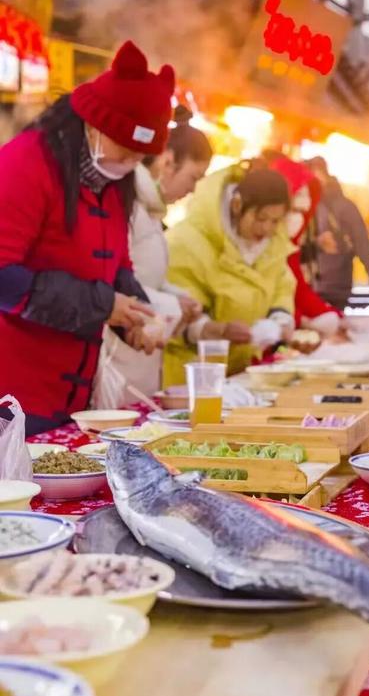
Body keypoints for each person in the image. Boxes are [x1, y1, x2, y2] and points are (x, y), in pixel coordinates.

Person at [0, 40, 174, 436]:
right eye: (125, 149)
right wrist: (102, 305)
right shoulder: (26, 162)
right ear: (95, 124)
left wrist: (136, 316)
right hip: (11, 399)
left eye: (140, 156)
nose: (131, 163)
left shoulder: (111, 183)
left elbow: (116, 267)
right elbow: (3, 277)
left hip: (72, 403)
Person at [94, 123, 213, 404]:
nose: (193, 190)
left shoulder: (150, 210)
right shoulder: (128, 206)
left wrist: (177, 297)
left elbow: (145, 279)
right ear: (168, 160)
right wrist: (172, 305)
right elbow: (112, 279)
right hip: (118, 351)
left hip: (143, 355)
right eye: (193, 177)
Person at [164, 165, 295, 379]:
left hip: (240, 374)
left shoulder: (274, 244)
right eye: (261, 219)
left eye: (275, 221)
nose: (266, 229)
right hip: (191, 376)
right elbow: (176, 312)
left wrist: (278, 322)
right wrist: (217, 330)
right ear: (237, 205)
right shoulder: (187, 242)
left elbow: (282, 286)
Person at [268, 156, 342, 339]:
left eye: (302, 212)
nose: (298, 218)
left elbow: (297, 288)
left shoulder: (290, 246)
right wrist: (303, 321)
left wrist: (330, 315)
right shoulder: (262, 243)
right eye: (293, 210)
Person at [306, 157, 369, 310]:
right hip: (313, 282)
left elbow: (361, 243)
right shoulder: (307, 204)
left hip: (335, 284)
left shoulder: (343, 206)